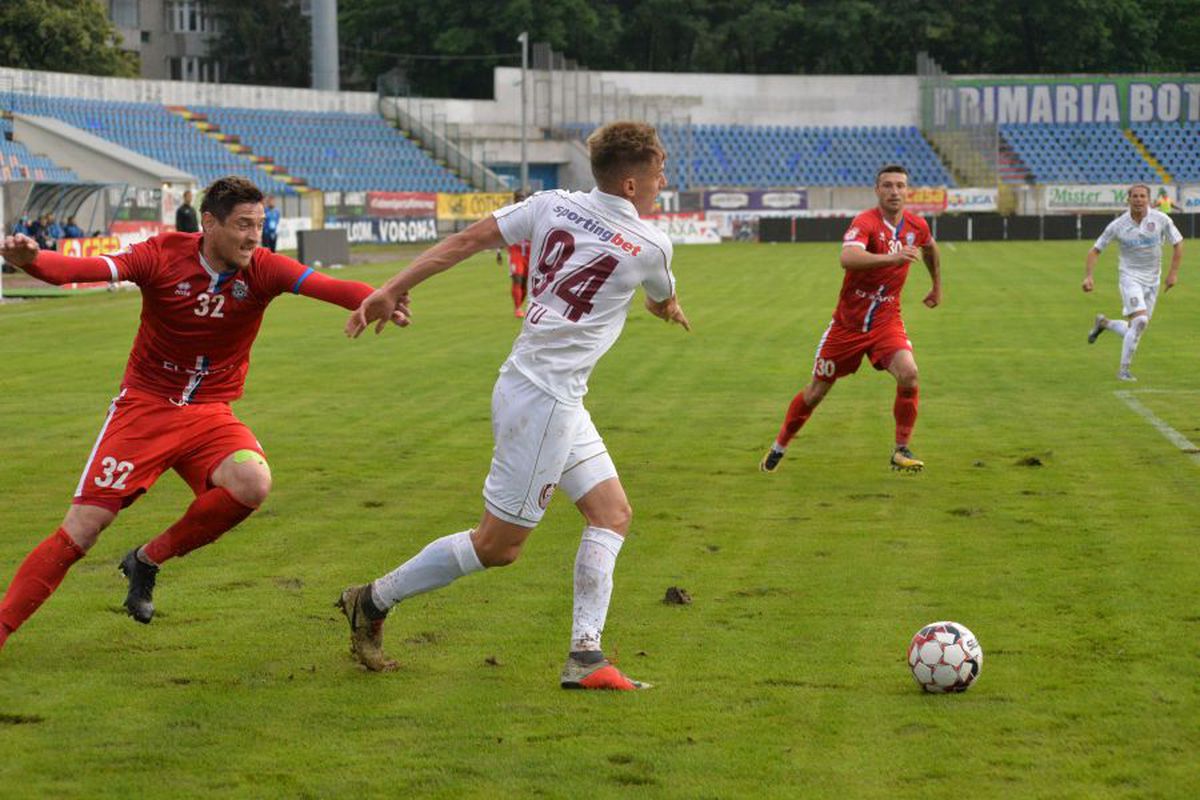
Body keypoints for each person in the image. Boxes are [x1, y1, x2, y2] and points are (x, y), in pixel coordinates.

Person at [336, 121, 689, 691]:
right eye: (658, 170)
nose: (663, 179)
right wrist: (669, 309)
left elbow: (464, 242)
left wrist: (392, 286)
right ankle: (372, 599)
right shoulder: (651, 246)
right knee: (497, 547)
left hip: (543, 389)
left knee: (611, 513)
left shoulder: (551, 203)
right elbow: (659, 297)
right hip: (544, 401)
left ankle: (586, 657)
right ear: (630, 183)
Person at [0, 176, 408, 654]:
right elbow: (81, 269)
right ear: (209, 223)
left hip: (210, 414)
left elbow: (330, 286)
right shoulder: (160, 255)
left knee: (252, 483)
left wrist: (379, 296)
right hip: (146, 409)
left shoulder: (263, 268)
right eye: (243, 225)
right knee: (83, 528)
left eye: (259, 224)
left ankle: (147, 560)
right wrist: (31, 260)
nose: (254, 237)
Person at [760, 164, 941, 474]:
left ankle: (901, 449)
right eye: (887, 185)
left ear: (907, 190)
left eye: (900, 185)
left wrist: (936, 285)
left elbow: (930, 247)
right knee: (816, 392)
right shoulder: (866, 222)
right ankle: (780, 445)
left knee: (909, 374)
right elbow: (848, 258)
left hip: (886, 322)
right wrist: (892, 258)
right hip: (847, 327)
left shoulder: (916, 225)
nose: (894, 191)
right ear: (877, 190)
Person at [1084, 183, 1183, 381]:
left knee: (1136, 328)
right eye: (1135, 196)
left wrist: (1173, 274)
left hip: (1153, 279)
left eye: (1142, 196)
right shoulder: (1118, 225)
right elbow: (1095, 250)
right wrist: (1088, 276)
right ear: (1128, 199)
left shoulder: (1161, 219)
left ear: (1148, 199)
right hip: (1129, 277)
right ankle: (1123, 370)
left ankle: (1104, 323)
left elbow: (1178, 243)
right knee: (1140, 321)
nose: (1138, 200)